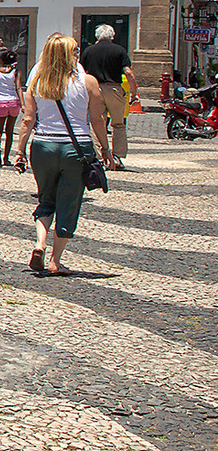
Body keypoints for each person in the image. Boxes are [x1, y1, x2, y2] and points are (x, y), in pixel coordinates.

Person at [15, 33, 111, 275]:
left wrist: (20, 150)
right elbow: (97, 120)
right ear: (70, 55)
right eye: (76, 50)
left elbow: (28, 119)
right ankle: (56, 262)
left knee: (46, 199)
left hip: (43, 147)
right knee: (68, 203)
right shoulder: (88, 82)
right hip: (76, 149)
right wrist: (106, 150)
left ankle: (40, 243)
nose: (78, 54)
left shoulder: (37, 81)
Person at [80, 24, 135, 171]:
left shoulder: (89, 51)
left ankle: (99, 156)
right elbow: (128, 72)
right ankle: (117, 157)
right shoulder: (119, 51)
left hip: (94, 89)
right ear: (112, 36)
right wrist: (134, 92)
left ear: (97, 36)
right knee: (118, 124)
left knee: (98, 122)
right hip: (114, 89)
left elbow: (81, 72)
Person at [0, 47, 23, 166]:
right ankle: (6, 158)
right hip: (13, 102)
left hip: (0, 102)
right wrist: (22, 103)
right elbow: (18, 88)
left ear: (1, 60)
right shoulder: (15, 72)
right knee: (9, 131)